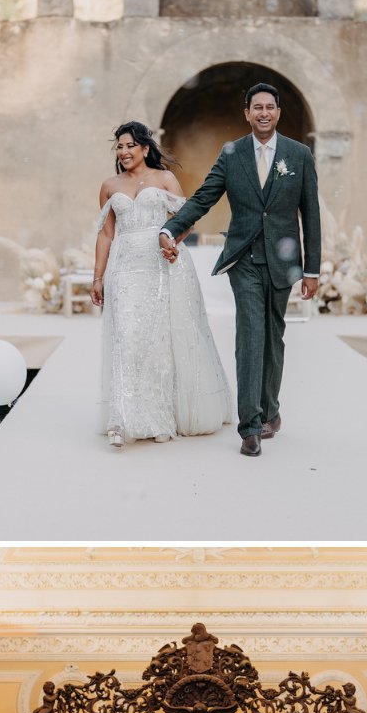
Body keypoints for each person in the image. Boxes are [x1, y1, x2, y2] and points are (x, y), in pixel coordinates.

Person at [159, 82, 322, 458]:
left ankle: (271, 411)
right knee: (250, 335)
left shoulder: (299, 155)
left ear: (277, 113)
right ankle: (250, 426)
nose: (263, 113)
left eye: (270, 107)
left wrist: (311, 269)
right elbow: (204, 196)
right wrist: (172, 228)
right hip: (244, 258)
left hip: (283, 262)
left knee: (273, 337)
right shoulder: (231, 154)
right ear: (246, 114)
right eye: (256, 107)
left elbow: (310, 215)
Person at [93, 120, 233, 447]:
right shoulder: (109, 186)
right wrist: (97, 277)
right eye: (119, 146)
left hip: (161, 266)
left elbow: (182, 221)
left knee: (158, 341)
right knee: (126, 337)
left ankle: (158, 417)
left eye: (130, 145)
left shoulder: (165, 178)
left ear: (145, 148)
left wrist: (171, 243)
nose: (124, 151)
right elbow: (106, 233)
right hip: (125, 268)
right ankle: (120, 419)